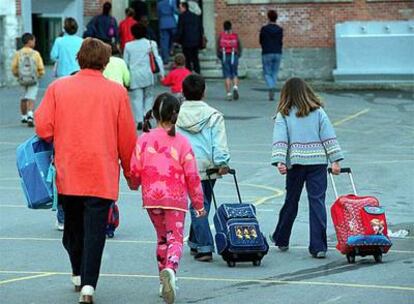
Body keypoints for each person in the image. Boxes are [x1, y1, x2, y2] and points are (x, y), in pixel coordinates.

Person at [35, 38, 136, 303]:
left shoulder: (59, 88)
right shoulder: (116, 93)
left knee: (73, 229)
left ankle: (78, 271)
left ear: (79, 58)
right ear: (105, 62)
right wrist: (131, 174)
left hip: (70, 171)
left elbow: (43, 128)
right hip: (101, 173)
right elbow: (127, 139)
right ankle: (89, 284)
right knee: (95, 232)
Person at [130, 93, 206, 304]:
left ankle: (162, 280)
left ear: (154, 114)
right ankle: (170, 270)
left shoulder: (144, 139)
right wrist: (198, 204)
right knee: (175, 238)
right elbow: (192, 175)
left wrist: (135, 184)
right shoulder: (182, 142)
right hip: (175, 198)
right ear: (176, 115)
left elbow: (134, 167)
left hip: (152, 197)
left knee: (162, 238)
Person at [270, 77, 343, 259]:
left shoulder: (283, 114)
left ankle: (281, 238)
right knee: (317, 202)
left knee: (291, 201)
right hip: (318, 162)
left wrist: (280, 161)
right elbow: (328, 137)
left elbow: (281, 139)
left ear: (286, 94)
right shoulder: (318, 112)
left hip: (295, 164)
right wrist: (335, 160)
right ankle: (318, 246)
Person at [176, 74, 230, 262]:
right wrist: (222, 163)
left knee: (197, 203)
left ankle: (195, 240)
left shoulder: (176, 114)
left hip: (183, 164)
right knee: (201, 203)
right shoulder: (214, 115)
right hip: (207, 166)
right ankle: (205, 245)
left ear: (183, 92)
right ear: (204, 92)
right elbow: (219, 142)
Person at [124, 23, 164, 130]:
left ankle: (139, 121)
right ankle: (147, 117)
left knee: (136, 99)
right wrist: (162, 73)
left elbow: (125, 63)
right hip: (148, 75)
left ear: (132, 33)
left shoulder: (128, 46)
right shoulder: (151, 44)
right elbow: (158, 58)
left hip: (135, 75)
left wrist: (125, 78)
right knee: (149, 97)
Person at [11, 32, 45, 128]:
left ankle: (24, 116)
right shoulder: (35, 54)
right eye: (34, 41)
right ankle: (30, 114)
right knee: (31, 98)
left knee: (23, 98)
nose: (35, 43)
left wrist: (17, 75)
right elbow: (40, 67)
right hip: (33, 79)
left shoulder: (18, 53)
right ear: (30, 42)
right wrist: (40, 74)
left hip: (22, 79)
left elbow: (14, 67)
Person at [260, 10, 283, 101]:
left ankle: (271, 86)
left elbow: (261, 40)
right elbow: (280, 41)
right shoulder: (280, 29)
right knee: (275, 72)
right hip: (277, 52)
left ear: (268, 17)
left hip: (267, 52)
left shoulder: (264, 29)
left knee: (266, 72)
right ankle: (272, 85)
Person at [217, 20, 242, 101]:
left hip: (224, 56)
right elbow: (239, 45)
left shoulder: (221, 35)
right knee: (234, 73)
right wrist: (238, 55)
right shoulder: (235, 35)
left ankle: (228, 93)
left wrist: (219, 56)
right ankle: (235, 87)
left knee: (227, 75)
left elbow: (218, 47)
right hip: (234, 55)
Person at [176, 1, 203, 74]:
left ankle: (188, 74)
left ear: (184, 8)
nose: (179, 9)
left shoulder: (181, 17)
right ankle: (197, 73)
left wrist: (177, 40)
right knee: (195, 59)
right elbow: (200, 29)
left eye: (180, 7)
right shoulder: (195, 16)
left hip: (186, 42)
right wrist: (200, 41)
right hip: (195, 41)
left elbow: (180, 30)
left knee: (187, 59)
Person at [157, 0, 178, 64]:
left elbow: (158, 14)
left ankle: (165, 59)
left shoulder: (159, 3)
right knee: (173, 39)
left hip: (163, 23)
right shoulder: (172, 1)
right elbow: (175, 11)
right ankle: (171, 50)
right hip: (172, 23)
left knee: (164, 43)